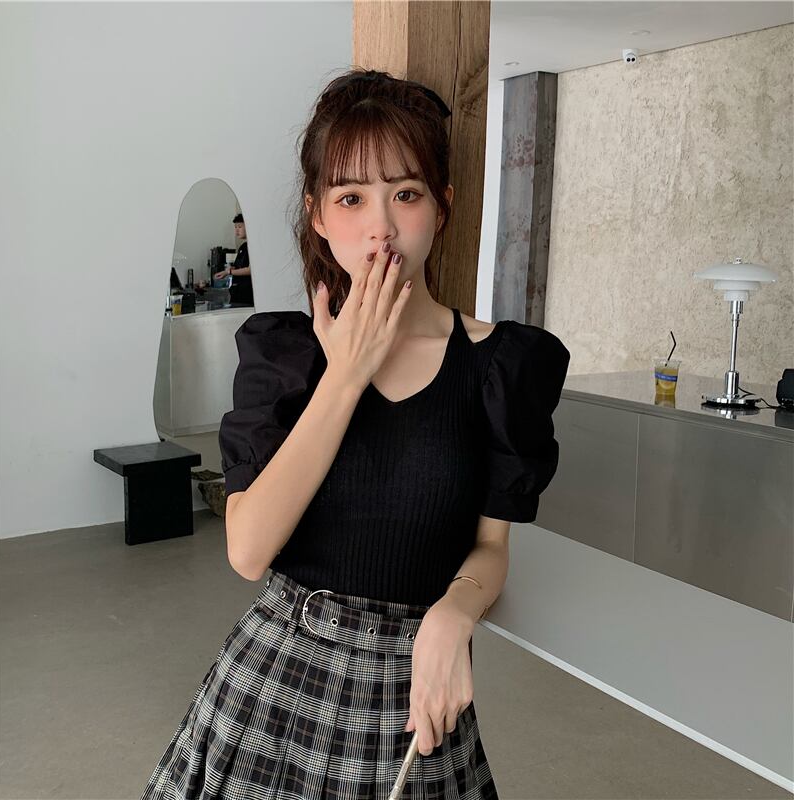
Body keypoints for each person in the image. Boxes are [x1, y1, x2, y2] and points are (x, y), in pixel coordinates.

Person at [141, 68, 570, 800]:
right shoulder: (284, 355)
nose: (381, 227)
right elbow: (248, 550)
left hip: (410, 690)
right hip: (273, 680)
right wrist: (346, 375)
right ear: (317, 214)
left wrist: (454, 613)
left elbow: (491, 546)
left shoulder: (501, 366)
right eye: (350, 198)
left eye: (406, 193)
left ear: (442, 204)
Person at [215, 213, 254, 306]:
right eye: (235, 227)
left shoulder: (253, 246)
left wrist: (230, 272)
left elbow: (250, 270)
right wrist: (226, 272)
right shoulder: (243, 246)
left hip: (247, 294)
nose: (237, 230)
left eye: (239, 227)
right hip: (237, 292)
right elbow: (238, 267)